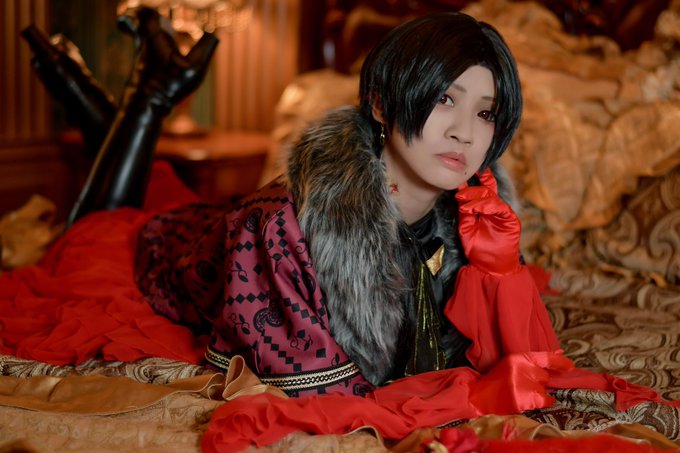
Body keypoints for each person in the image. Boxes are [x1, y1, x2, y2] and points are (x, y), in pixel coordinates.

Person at [12, 10, 560, 397]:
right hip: (181, 248)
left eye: (486, 112)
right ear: (379, 104)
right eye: (443, 99)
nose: (465, 132)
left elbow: (520, 363)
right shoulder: (278, 228)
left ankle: (117, 100)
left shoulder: (482, 219)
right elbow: (312, 384)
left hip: (231, 211)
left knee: (136, 190)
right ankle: (141, 98)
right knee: (102, 224)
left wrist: (499, 270)